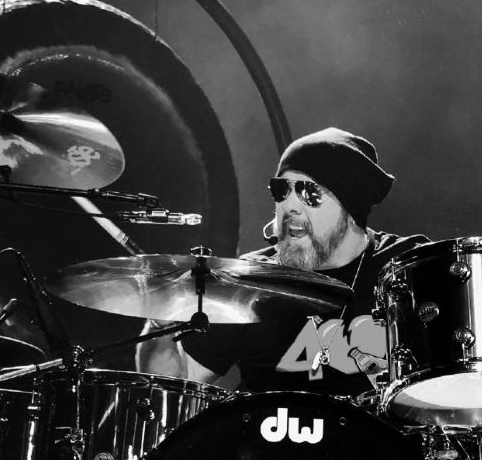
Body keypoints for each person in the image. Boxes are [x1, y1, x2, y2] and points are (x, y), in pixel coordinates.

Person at [136, 126, 429, 397]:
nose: (290, 205)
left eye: (309, 192)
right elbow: (173, 384)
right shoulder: (249, 279)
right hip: (268, 436)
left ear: (351, 209)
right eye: (281, 190)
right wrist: (159, 319)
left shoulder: (409, 268)